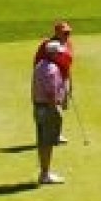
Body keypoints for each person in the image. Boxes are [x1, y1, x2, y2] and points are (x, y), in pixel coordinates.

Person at [32, 38, 70, 185]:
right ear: (52, 55)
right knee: (47, 143)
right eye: (58, 54)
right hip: (48, 108)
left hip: (39, 107)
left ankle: (44, 172)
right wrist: (56, 111)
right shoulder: (51, 69)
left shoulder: (39, 65)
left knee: (42, 141)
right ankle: (45, 174)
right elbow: (51, 94)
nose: (61, 56)